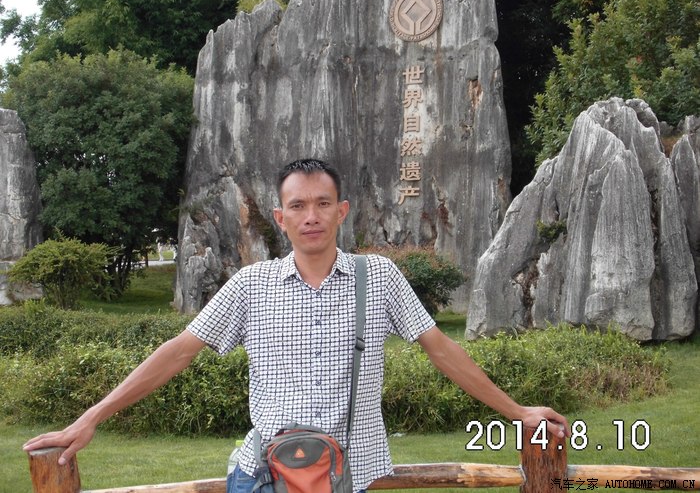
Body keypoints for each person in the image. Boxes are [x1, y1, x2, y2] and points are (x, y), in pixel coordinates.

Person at [24, 158, 570, 493]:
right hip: (265, 477)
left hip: (348, 476)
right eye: (298, 205)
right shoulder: (251, 285)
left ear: (342, 211)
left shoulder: (378, 278)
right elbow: (178, 351)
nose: (311, 215)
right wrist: (90, 418)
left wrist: (518, 412)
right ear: (280, 217)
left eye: (323, 203)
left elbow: (440, 348)